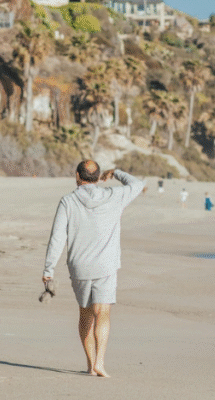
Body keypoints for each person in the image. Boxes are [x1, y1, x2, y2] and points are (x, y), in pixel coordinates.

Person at [43, 160, 144, 377]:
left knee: (86, 314)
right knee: (103, 313)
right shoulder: (115, 196)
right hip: (106, 265)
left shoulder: (68, 201)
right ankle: (100, 362)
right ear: (98, 178)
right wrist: (115, 173)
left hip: (79, 266)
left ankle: (90, 365)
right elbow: (138, 184)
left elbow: (57, 237)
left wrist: (48, 269)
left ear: (77, 176)